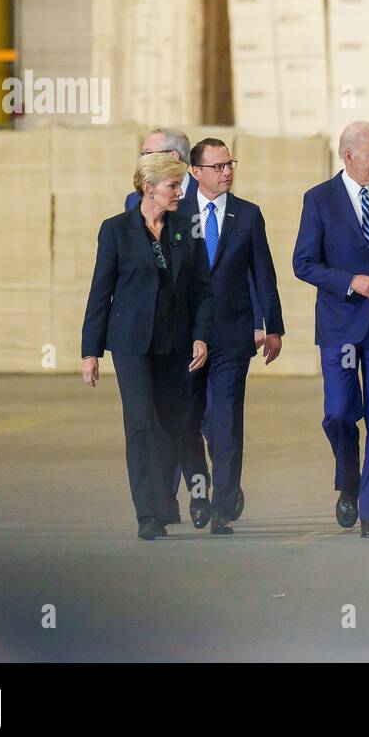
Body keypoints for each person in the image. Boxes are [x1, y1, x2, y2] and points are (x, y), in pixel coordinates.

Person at [82, 154, 212, 540]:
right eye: (173, 186)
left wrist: (201, 335)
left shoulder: (186, 229)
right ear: (149, 188)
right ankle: (149, 513)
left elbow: (203, 291)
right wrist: (91, 351)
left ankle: (167, 503)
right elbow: (100, 291)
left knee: (171, 425)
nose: (180, 193)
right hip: (131, 345)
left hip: (174, 345)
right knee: (141, 424)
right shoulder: (116, 231)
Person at [293, 122, 369, 538]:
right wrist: (350, 281)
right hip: (341, 327)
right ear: (348, 156)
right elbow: (303, 263)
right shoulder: (319, 199)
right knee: (340, 412)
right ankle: (348, 479)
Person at [178, 137, 285, 536]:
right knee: (186, 421)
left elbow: (263, 274)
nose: (227, 172)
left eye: (230, 164)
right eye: (218, 166)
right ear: (196, 172)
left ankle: (222, 506)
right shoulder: (178, 213)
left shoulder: (248, 215)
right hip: (185, 337)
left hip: (233, 336)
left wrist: (272, 326)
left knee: (224, 423)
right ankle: (200, 490)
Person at [124, 128, 194, 211]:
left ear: (173, 157)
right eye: (143, 154)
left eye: (148, 153)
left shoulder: (207, 196)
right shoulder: (133, 200)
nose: (143, 159)